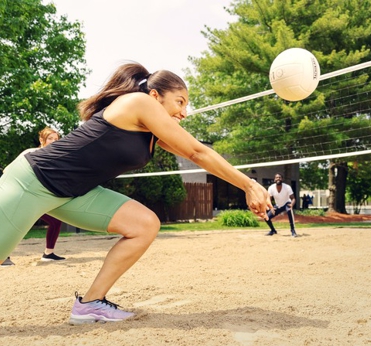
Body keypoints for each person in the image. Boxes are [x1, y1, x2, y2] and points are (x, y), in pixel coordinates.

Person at [0, 62, 271, 323]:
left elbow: (199, 152)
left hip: (73, 193)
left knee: (144, 224)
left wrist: (246, 184)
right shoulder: (139, 103)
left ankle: (91, 303)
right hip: (32, 181)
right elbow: (196, 152)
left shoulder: (153, 132)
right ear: (155, 96)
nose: (184, 112)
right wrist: (249, 184)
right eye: (180, 101)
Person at [1, 127, 66, 267]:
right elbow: (8, 169)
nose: (54, 141)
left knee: (55, 221)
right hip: (21, 195)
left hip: (40, 198)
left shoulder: (57, 157)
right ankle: (4, 256)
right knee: (12, 223)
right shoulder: (31, 152)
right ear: (42, 140)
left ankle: (48, 254)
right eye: (50, 138)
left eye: (56, 139)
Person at [265, 173, 297, 237]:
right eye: (276, 177)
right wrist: (271, 207)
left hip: (286, 203)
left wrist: (292, 204)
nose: (278, 179)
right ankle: (273, 230)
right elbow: (269, 200)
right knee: (266, 217)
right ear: (274, 179)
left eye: (279, 177)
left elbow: (293, 198)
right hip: (278, 205)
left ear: (282, 179)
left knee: (289, 210)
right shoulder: (271, 188)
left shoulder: (287, 187)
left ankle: (293, 231)